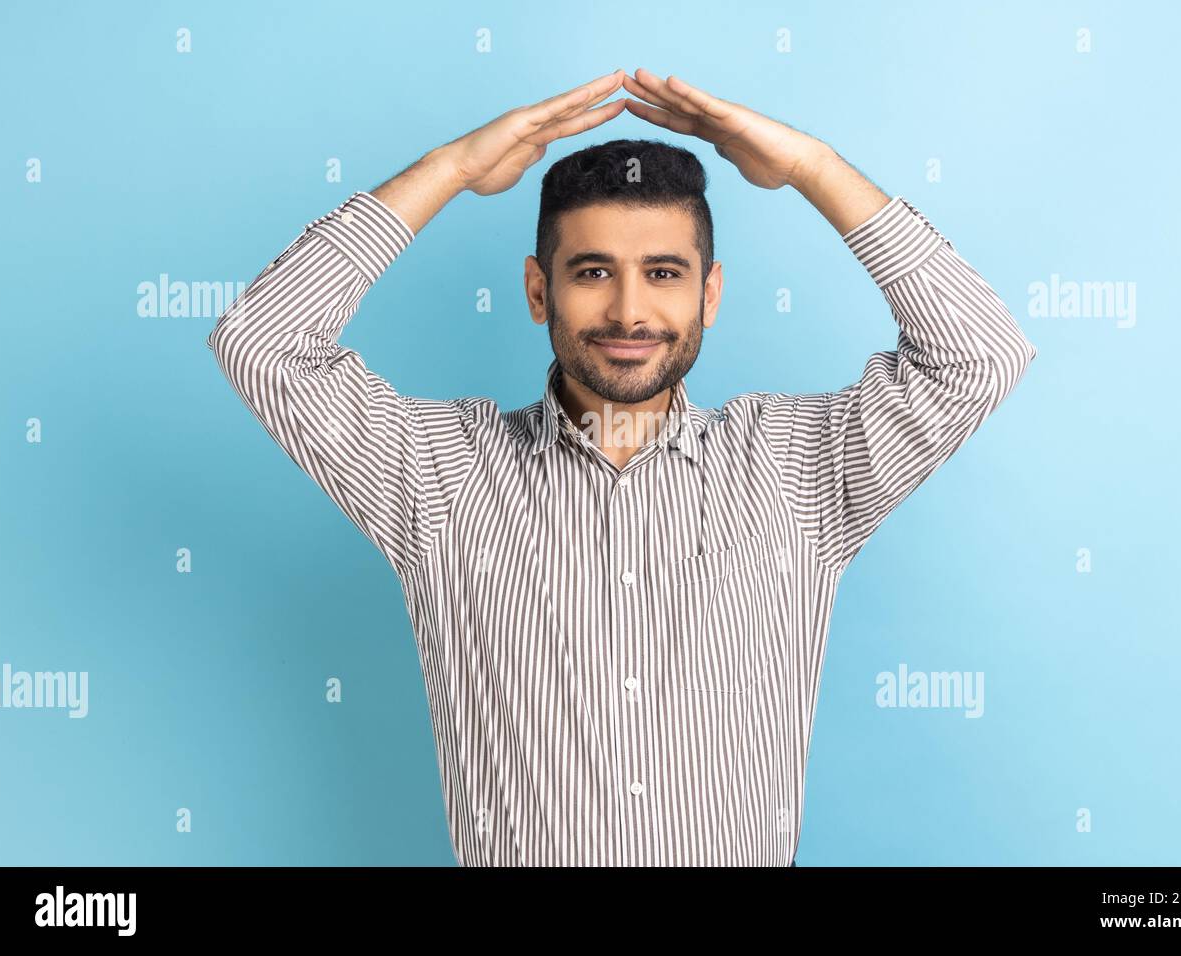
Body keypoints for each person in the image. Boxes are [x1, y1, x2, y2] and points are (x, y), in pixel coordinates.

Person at [206, 68, 1037, 866]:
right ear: (539, 293)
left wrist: (810, 167)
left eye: (664, 274)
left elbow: (977, 354)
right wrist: (449, 169)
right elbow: (263, 343)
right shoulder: (437, 472)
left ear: (709, 295)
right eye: (593, 271)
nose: (630, 311)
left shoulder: (800, 466)